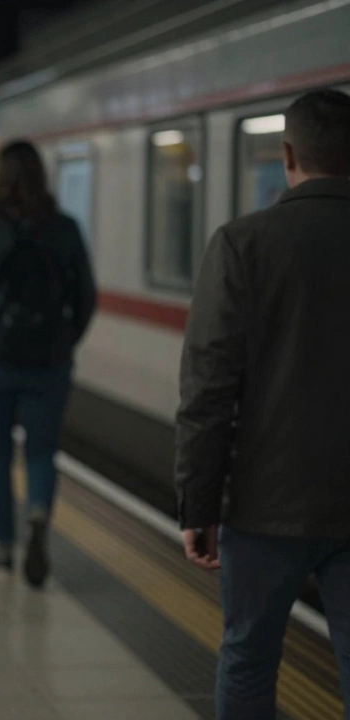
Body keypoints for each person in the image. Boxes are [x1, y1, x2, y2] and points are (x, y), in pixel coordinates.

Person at [175, 88, 350, 719]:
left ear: (286, 154)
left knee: (248, 660)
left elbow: (208, 386)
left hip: (262, 505)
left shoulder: (242, 243)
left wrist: (197, 502)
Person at [0, 139, 96, 587]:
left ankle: (2, 548)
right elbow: (85, 296)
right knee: (41, 452)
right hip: (50, 359)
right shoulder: (65, 227)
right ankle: (36, 515)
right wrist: (67, 338)